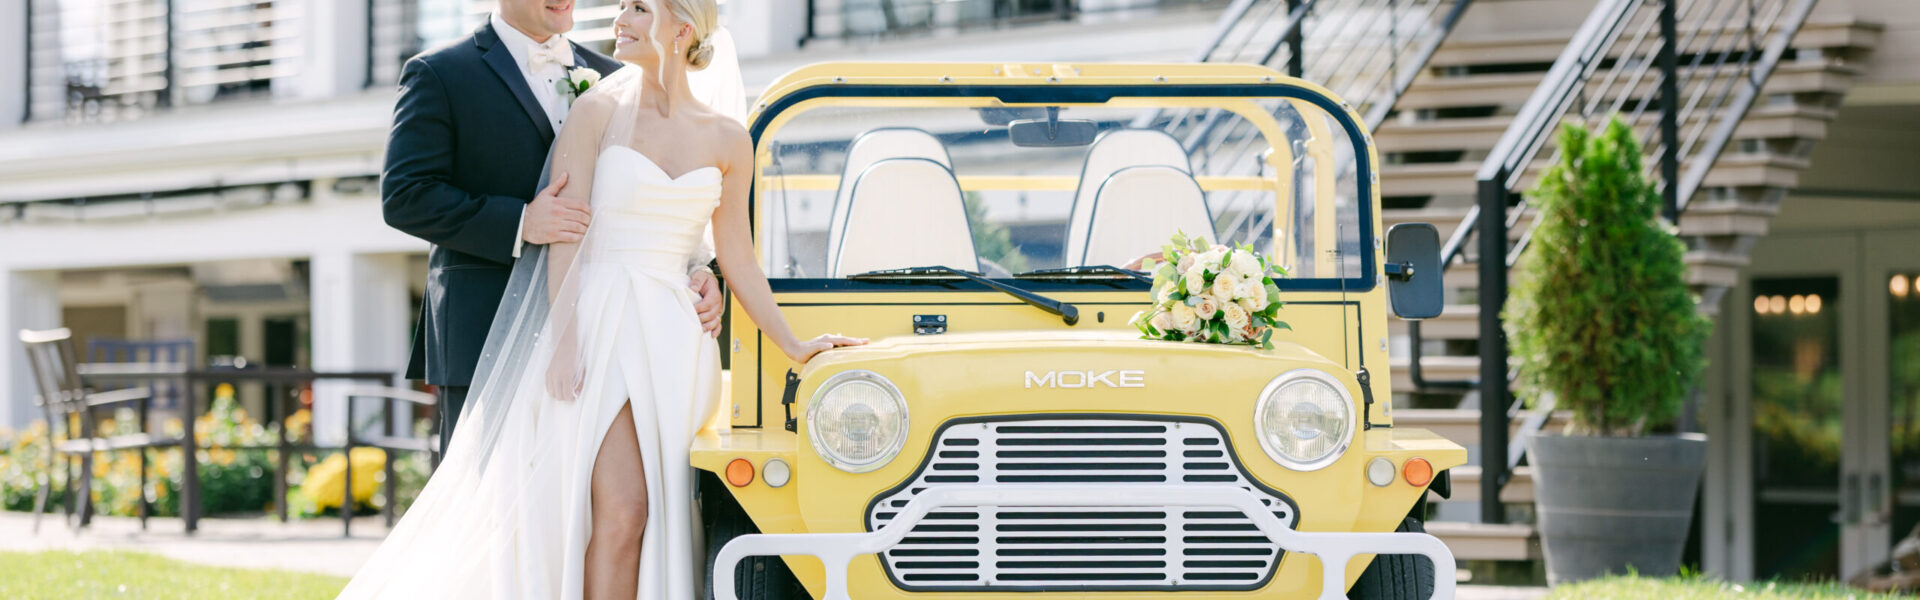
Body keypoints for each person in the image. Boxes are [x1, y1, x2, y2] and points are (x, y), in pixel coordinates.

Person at [342, 1, 866, 597]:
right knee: (605, 511)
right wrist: (561, 338)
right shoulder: (582, 102)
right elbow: (558, 225)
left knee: (649, 511)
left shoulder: (722, 135)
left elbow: (735, 255)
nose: (618, 17)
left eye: (638, 7)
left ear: (682, 25)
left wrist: (787, 338)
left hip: (672, 341)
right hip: (590, 323)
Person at [379, 0, 727, 455]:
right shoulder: (440, 72)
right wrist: (522, 221)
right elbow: (405, 195)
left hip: (601, 338)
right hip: (485, 336)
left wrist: (700, 268)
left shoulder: (617, 72)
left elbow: (651, 194)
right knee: (489, 510)